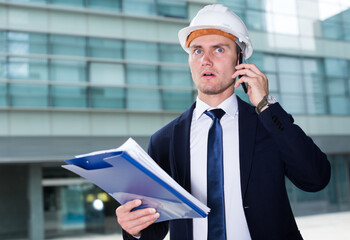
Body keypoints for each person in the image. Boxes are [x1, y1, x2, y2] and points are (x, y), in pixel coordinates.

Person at [116, 4, 331, 240]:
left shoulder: (270, 124)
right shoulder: (164, 140)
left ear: (239, 60)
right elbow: (154, 228)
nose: (205, 60)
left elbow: (316, 179)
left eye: (218, 50)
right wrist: (133, 228)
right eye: (197, 51)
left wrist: (267, 107)